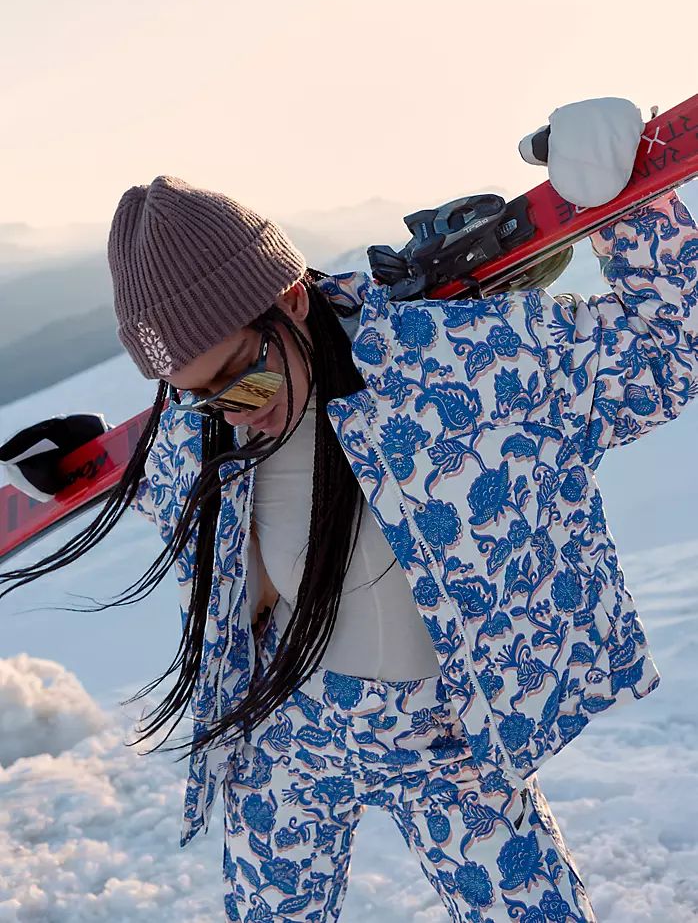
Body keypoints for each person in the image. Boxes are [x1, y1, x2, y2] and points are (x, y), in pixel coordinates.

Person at [2, 97, 697, 922]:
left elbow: (661, 357)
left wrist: (634, 204)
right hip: (293, 730)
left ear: (292, 301)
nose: (235, 413)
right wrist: (72, 473)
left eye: (241, 378)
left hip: (452, 738)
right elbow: (155, 481)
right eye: (198, 398)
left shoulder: (456, 368)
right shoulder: (206, 437)